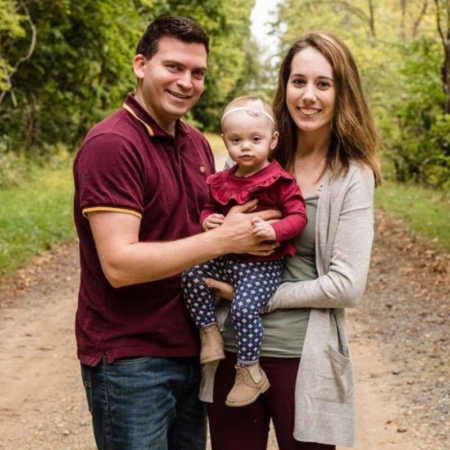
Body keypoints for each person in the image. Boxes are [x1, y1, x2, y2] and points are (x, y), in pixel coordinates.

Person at [73, 16, 279, 450]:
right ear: (140, 64)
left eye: (197, 72)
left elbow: (205, 230)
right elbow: (119, 265)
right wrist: (224, 239)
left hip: (194, 350)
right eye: (173, 67)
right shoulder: (112, 144)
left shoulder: (196, 143)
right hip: (132, 359)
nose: (186, 82)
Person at [202, 32, 382, 450]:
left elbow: (346, 286)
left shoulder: (352, 176)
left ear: (342, 92)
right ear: (284, 87)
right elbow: (220, 237)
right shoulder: (251, 155)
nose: (308, 95)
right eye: (298, 81)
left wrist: (257, 296)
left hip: (304, 357)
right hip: (232, 349)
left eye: (323, 83)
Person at [182, 96, 307, 408]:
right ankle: (209, 332)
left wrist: (276, 230)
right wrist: (206, 220)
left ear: (273, 140)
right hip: (228, 260)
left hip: (261, 266)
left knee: (242, 308)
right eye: (236, 140)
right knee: (190, 273)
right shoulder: (222, 180)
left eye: (255, 139)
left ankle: (250, 370)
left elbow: (298, 216)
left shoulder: (280, 180)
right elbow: (210, 208)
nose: (245, 147)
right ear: (225, 141)